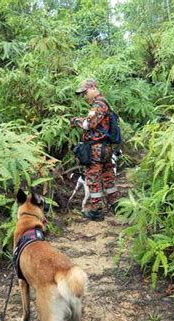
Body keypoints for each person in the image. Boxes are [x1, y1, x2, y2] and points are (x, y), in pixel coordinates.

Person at [70, 79, 120, 221]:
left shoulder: (98, 105)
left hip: (97, 149)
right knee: (108, 175)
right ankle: (115, 204)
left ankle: (97, 211)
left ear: (93, 88)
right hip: (106, 148)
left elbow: (89, 124)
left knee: (93, 178)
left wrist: (75, 121)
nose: (85, 96)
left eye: (85, 92)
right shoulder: (105, 104)